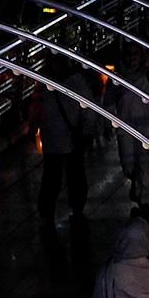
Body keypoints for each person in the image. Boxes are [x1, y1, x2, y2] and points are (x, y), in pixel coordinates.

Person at [107, 46, 149, 203]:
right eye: (129, 54)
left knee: (144, 165)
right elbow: (108, 102)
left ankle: (144, 199)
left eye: (135, 54)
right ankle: (138, 187)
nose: (132, 58)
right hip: (126, 130)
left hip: (147, 129)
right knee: (128, 164)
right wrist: (108, 124)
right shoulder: (116, 78)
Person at [35, 83, 90, 223]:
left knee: (52, 176)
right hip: (72, 136)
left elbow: (38, 106)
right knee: (75, 174)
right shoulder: (77, 82)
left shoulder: (44, 82)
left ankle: (47, 212)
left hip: (52, 138)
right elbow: (88, 109)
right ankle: (77, 208)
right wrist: (87, 129)